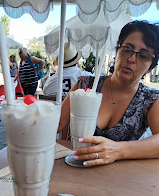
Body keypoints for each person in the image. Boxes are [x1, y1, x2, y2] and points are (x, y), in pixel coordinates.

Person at [58, 21, 159, 166]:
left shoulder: (150, 99)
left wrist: (118, 150)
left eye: (143, 56)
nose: (131, 59)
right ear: (117, 51)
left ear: (151, 66)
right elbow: (58, 123)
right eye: (127, 49)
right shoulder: (85, 85)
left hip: (120, 179)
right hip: (74, 169)